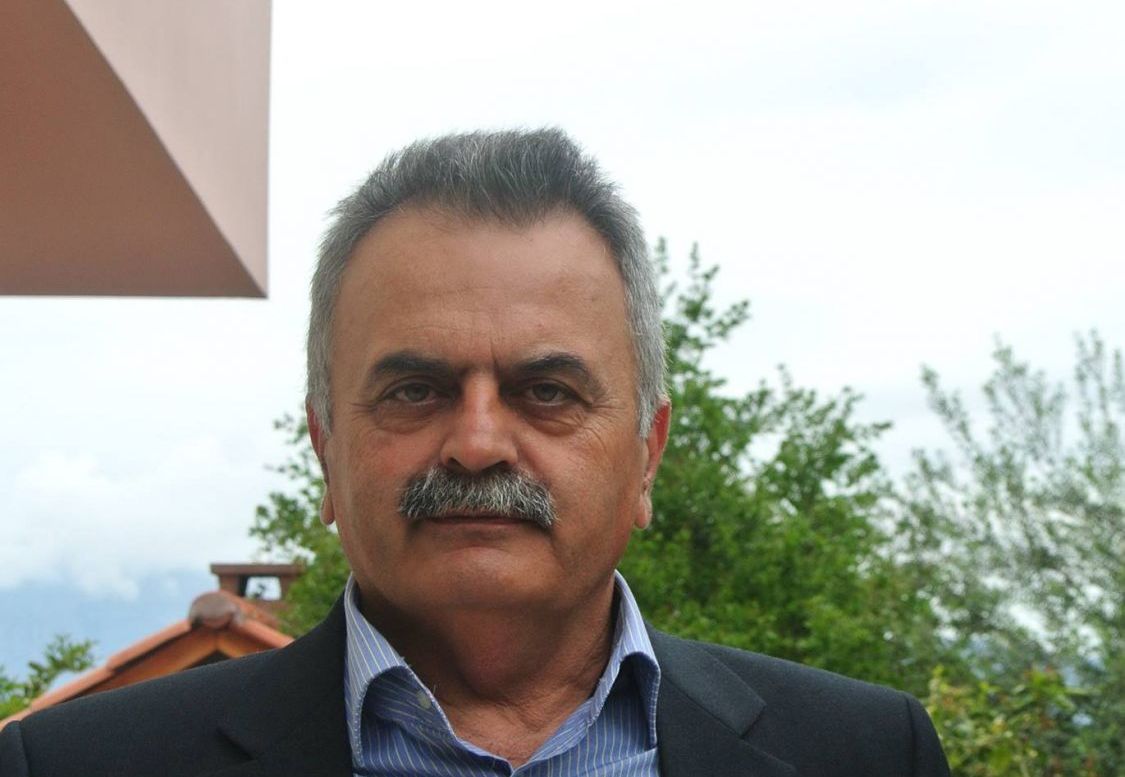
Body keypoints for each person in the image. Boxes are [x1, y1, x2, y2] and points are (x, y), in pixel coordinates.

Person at [0, 129, 950, 776]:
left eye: (547, 391)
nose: (478, 443)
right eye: (416, 390)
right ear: (326, 449)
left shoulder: (865, 752)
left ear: (646, 455)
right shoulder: (74, 763)